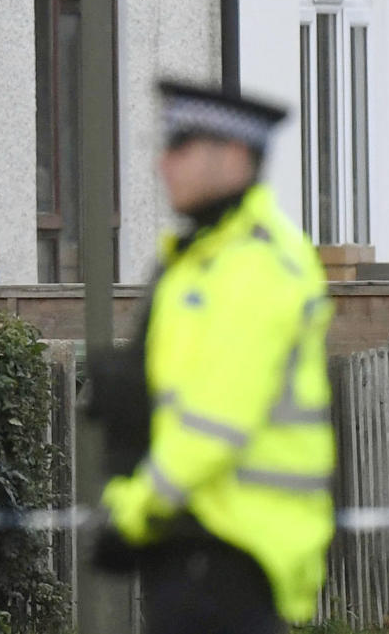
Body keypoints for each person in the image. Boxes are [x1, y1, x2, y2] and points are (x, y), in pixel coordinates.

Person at [89, 82, 335, 634]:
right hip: (198, 539)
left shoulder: (255, 267)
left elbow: (214, 422)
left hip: (232, 545)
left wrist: (134, 509)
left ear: (235, 157)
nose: (162, 163)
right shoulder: (199, 259)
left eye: (181, 146)